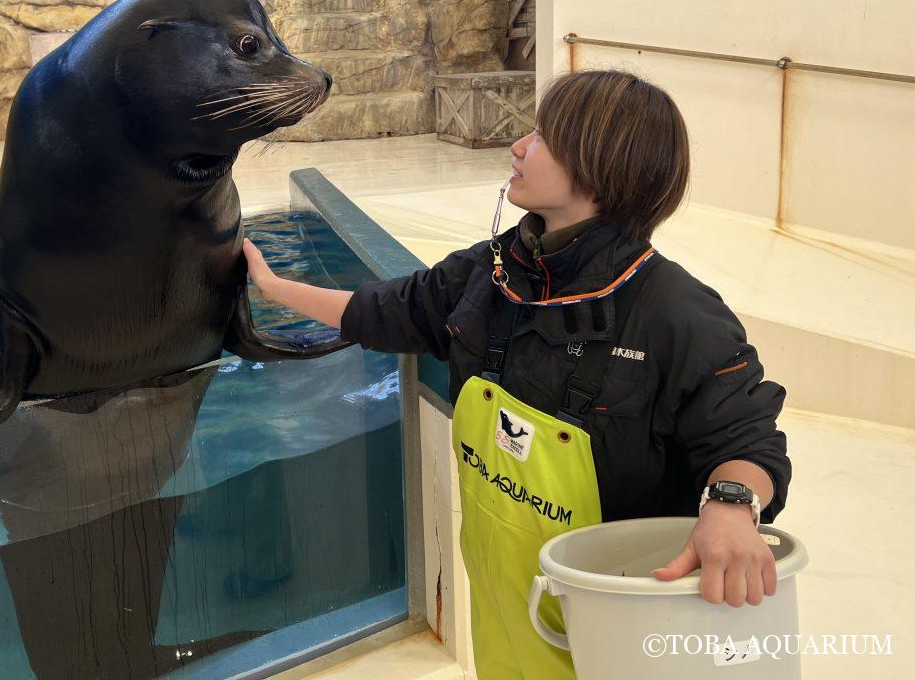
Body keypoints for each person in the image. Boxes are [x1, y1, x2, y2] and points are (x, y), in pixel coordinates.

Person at [242, 69, 791, 679]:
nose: (519, 147)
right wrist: (271, 288)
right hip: (509, 600)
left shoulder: (678, 312)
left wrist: (732, 506)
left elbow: (745, 439)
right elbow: (390, 310)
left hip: (620, 618)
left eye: (543, 136)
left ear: (599, 167)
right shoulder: (496, 268)